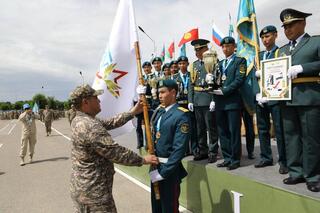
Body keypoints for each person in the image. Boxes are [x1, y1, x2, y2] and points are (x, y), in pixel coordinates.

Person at [69, 84, 159, 212]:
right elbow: (115, 152)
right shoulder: (89, 126)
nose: (99, 100)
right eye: (96, 98)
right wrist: (143, 160)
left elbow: (109, 123)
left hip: (84, 188)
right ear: (85, 102)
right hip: (94, 196)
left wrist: (132, 112)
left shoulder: (80, 119)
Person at [278, 8, 320, 192]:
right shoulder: (282, 50)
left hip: (309, 96)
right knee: (291, 137)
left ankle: (313, 175)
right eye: (285, 26)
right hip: (287, 99)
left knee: (311, 138)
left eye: (292, 24)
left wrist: (304, 67)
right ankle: (296, 172)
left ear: (303, 23)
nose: (288, 29)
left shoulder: (315, 42)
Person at [147, 79, 190, 213]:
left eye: (163, 92)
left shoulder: (181, 115)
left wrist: (163, 173)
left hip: (169, 170)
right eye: (158, 92)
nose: (159, 95)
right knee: (157, 206)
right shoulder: (159, 111)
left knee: (169, 207)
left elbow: (179, 149)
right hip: (155, 166)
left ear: (173, 92)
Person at [254, 25, 288, 174]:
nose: (265, 40)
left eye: (268, 36)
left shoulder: (281, 53)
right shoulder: (258, 56)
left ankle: (284, 161)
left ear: (275, 35)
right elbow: (252, 79)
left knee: (280, 130)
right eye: (262, 37)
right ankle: (266, 157)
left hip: (276, 99)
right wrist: (257, 94)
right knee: (262, 129)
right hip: (261, 99)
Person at [213, 36, 246, 170]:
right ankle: (227, 157)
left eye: (228, 46)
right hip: (220, 102)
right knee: (223, 131)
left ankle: (235, 159)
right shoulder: (219, 64)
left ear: (234, 47)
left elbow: (239, 80)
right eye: (223, 47)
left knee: (234, 131)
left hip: (232, 101)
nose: (225, 49)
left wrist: (225, 90)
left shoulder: (240, 61)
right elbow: (217, 81)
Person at [188, 38, 219, 163]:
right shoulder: (194, 65)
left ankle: (213, 151)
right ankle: (203, 150)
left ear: (206, 49)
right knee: (200, 128)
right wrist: (190, 100)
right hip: (197, 100)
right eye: (196, 50)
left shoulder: (214, 62)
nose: (197, 52)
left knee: (211, 128)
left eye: (199, 49)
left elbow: (217, 83)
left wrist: (213, 99)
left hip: (207, 98)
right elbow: (191, 84)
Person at [175, 56, 198, 156]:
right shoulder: (174, 77)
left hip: (190, 104)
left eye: (184, 63)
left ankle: (194, 149)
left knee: (193, 127)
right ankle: (184, 149)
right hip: (180, 105)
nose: (182, 65)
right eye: (180, 64)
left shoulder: (191, 75)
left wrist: (192, 101)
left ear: (188, 64)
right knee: (182, 128)